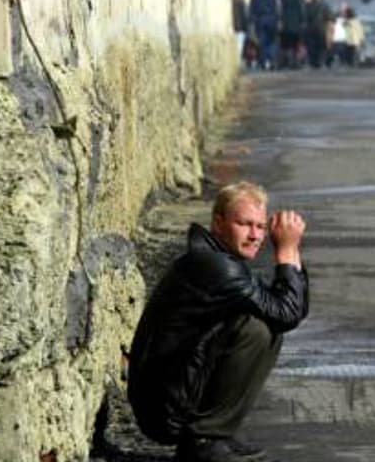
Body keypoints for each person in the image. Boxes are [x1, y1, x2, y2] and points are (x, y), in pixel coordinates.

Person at [127, 182, 309, 462]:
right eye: (245, 224)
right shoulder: (217, 267)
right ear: (218, 223)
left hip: (171, 395)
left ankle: (216, 433)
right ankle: (203, 440)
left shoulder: (219, 259)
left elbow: (285, 311)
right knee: (257, 330)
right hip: (163, 409)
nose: (255, 235)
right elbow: (286, 312)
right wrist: (285, 252)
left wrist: (291, 253)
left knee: (265, 326)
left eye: (261, 227)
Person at [248, 0, 279, 70]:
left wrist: (251, 22)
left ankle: (264, 62)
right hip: (272, 20)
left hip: (260, 20)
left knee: (262, 42)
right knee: (272, 42)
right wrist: (277, 20)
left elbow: (252, 9)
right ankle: (272, 60)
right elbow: (276, 9)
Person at [276, 0, 306, 70]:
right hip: (295, 23)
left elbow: (277, 8)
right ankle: (295, 62)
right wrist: (302, 20)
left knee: (284, 45)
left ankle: (284, 62)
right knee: (295, 44)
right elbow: (301, 8)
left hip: (283, 23)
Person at [303, 0, 331, 69]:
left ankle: (313, 62)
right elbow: (328, 17)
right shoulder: (323, 5)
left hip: (311, 28)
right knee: (321, 46)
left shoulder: (307, 6)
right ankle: (320, 61)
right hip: (321, 28)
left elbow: (304, 17)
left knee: (312, 46)